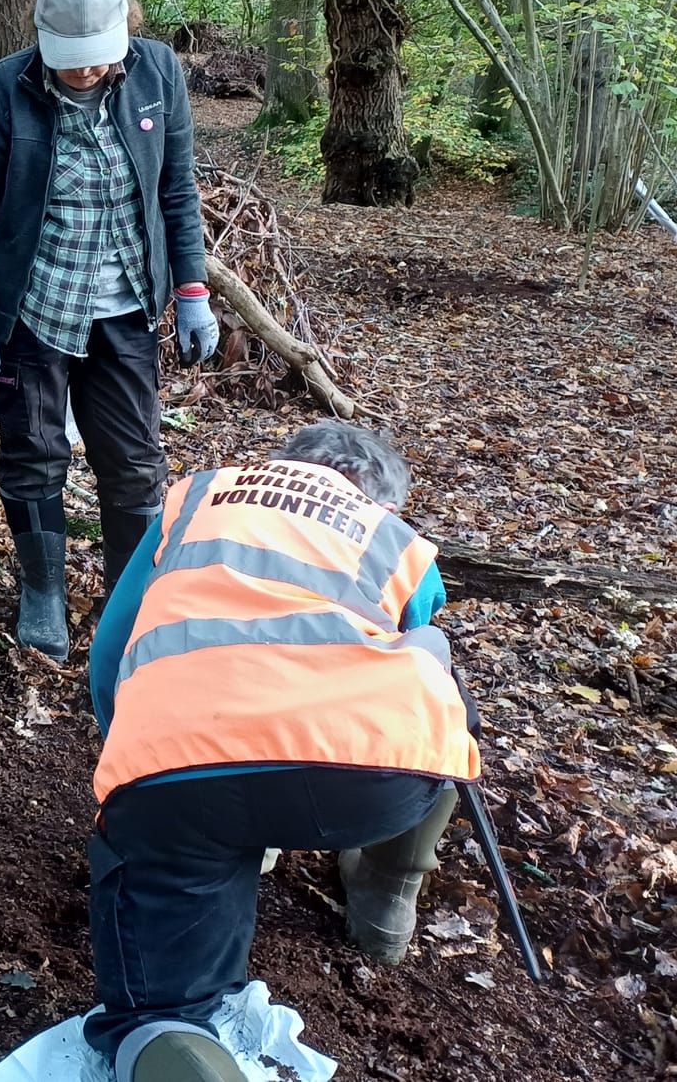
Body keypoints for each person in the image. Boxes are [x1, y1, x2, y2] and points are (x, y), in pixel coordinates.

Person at [82, 421, 479, 1082]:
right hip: (372, 779)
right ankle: (388, 894)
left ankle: (175, 1030)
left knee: (160, 1015)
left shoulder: (200, 497)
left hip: (181, 763)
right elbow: (419, 666)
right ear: (382, 500)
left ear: (284, 463)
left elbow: (110, 650)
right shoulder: (393, 538)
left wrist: (133, 764)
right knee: (435, 678)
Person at [0, 0, 217, 661]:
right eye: (72, 59)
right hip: (34, 308)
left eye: (98, 57)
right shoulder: (7, 86)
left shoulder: (158, 73)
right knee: (33, 453)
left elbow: (177, 189)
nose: (87, 71)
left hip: (126, 306)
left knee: (134, 462)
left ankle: (127, 604)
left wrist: (192, 292)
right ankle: (44, 592)